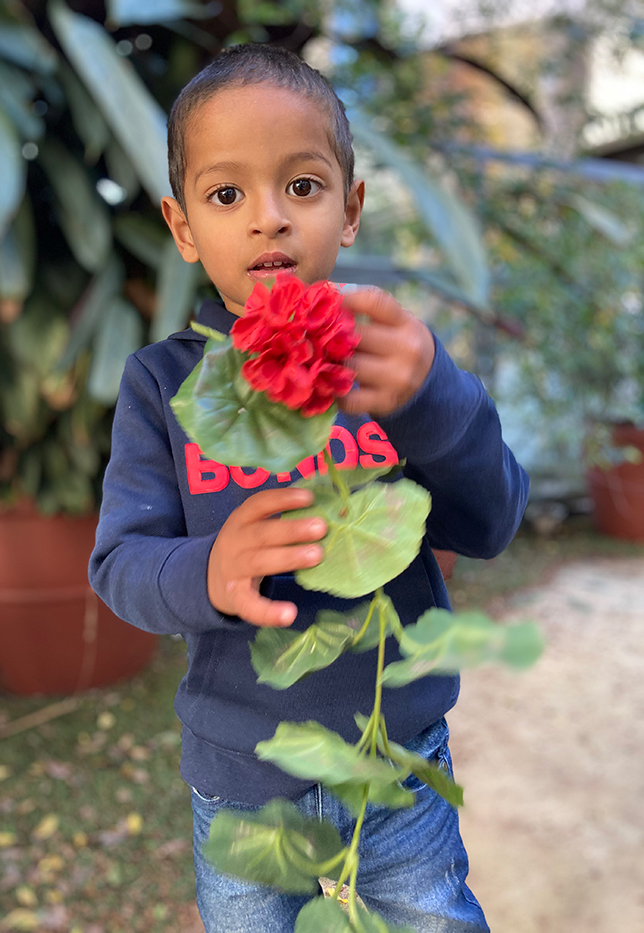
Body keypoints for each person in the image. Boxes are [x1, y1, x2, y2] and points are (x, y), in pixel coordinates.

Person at [89, 43, 528, 933]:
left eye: (302, 186)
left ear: (351, 207)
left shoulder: (392, 360)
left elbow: (493, 520)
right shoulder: (161, 385)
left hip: (396, 774)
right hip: (243, 789)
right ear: (182, 228)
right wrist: (210, 569)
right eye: (226, 195)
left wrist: (434, 394)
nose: (268, 221)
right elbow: (120, 564)